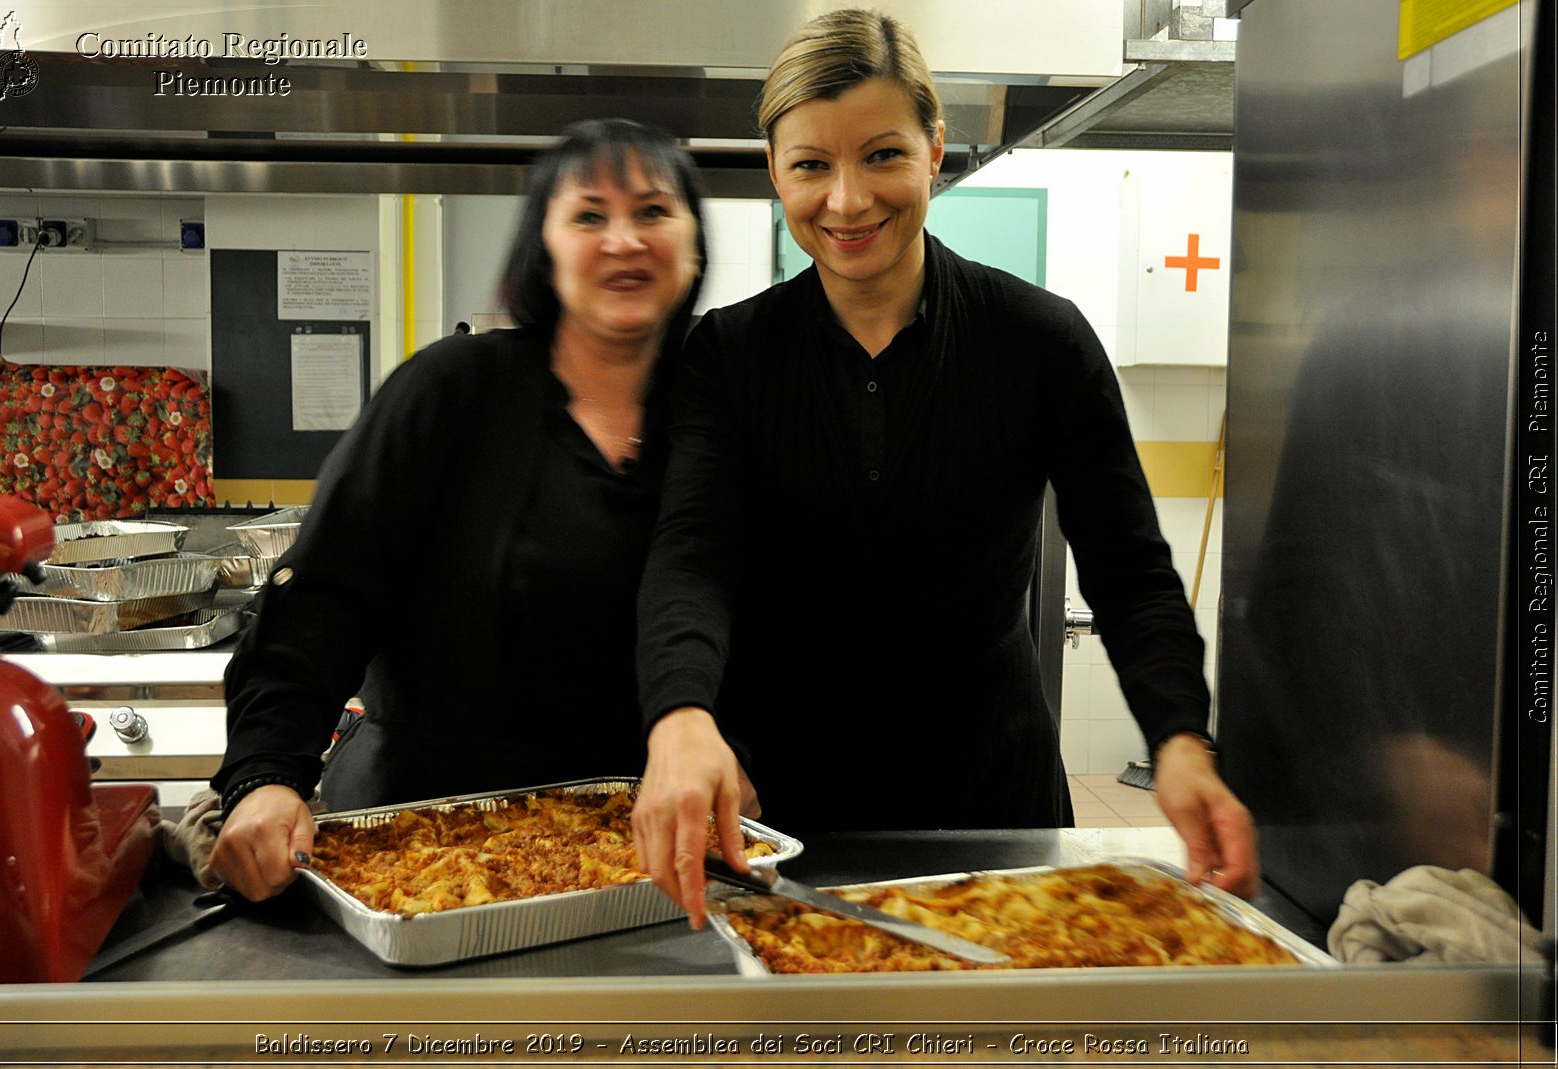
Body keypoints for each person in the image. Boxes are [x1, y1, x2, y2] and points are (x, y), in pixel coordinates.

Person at [631, 8, 1259, 928]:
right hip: (787, 820)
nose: (846, 201)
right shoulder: (728, 356)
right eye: (812, 164)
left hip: (989, 805)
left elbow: (1129, 568)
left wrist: (1179, 737)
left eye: (881, 154)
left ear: (934, 150)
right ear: (776, 173)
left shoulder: (1041, 342)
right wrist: (681, 713)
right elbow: (691, 551)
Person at [207, 118, 708, 902]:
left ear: (694, 245)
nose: (623, 240)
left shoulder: (715, 413)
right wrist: (268, 774)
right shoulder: (450, 391)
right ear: (541, 248)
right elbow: (325, 595)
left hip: (644, 864)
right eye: (588, 215)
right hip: (428, 850)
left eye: (652, 211)